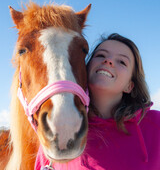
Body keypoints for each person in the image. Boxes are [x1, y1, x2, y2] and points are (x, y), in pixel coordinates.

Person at [35, 33, 160, 170]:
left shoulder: (155, 124)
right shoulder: (59, 128)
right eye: (101, 55)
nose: (108, 61)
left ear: (129, 86)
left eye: (122, 62)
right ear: (86, 68)